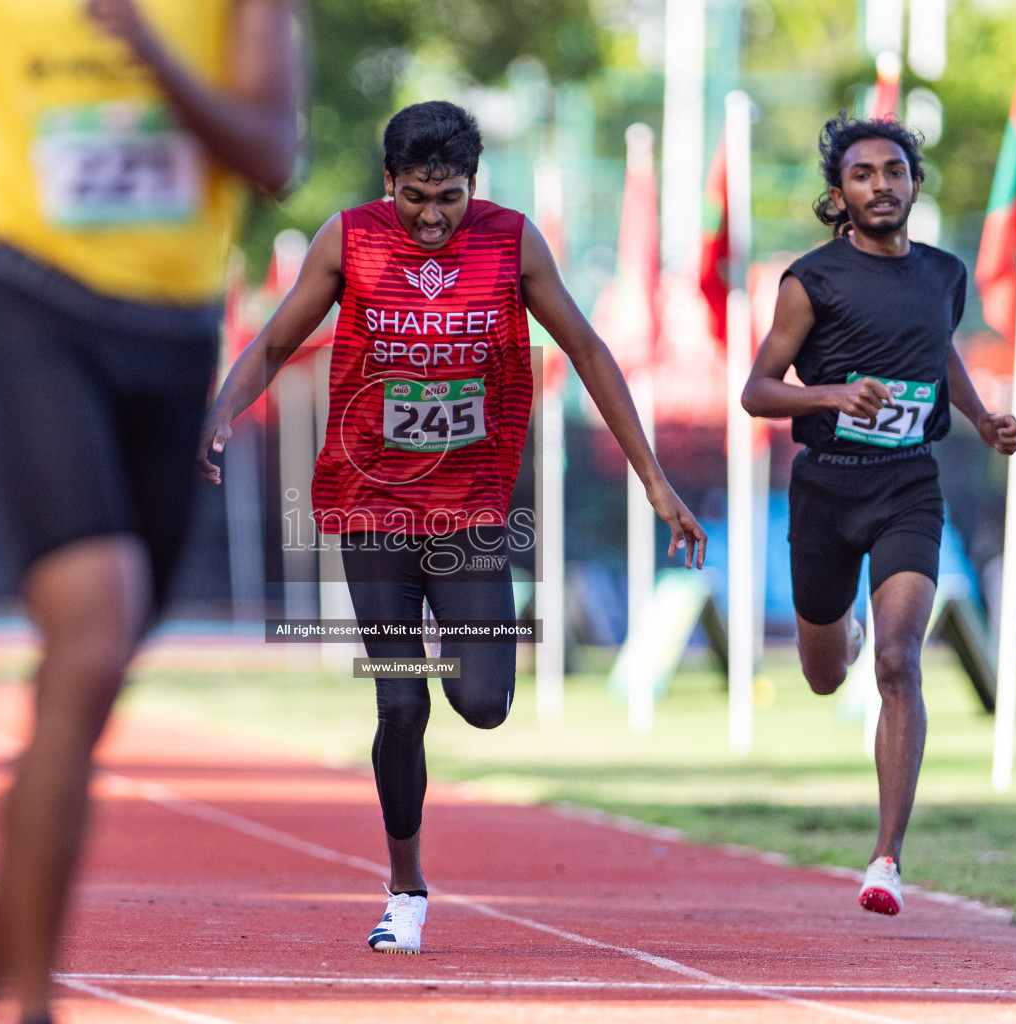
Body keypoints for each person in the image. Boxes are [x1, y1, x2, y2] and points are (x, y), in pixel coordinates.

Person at [201, 100, 706, 954]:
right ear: (388, 182)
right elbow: (276, 341)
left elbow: (586, 349)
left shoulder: (511, 242)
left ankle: (462, 672)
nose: (433, 218)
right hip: (372, 506)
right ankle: (406, 889)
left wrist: (654, 480)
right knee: (400, 703)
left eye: (451, 197)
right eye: (416, 197)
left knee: (481, 703)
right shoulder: (350, 239)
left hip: (471, 511)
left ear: (476, 186)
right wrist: (218, 415)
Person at [0, 1, 303, 1021]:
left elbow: (271, 153)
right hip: (36, 315)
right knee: (91, 637)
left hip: (171, 341)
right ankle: (35, 1005)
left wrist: (152, 49)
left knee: (86, 683)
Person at [741, 113, 1016, 916]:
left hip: (908, 484)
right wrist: (832, 392)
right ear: (840, 195)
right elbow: (757, 390)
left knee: (898, 663)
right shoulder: (811, 281)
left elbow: (938, 351)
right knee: (828, 674)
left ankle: (886, 859)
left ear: (914, 184)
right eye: (863, 174)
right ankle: (847, 634)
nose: (881, 185)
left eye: (894, 172)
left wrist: (981, 418)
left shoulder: (943, 274)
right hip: (827, 489)